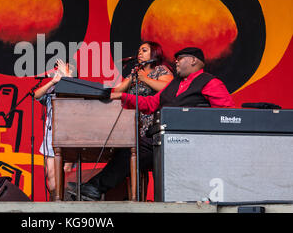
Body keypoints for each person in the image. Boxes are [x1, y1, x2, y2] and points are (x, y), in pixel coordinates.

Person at [70, 46, 234, 201]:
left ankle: (93, 189)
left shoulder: (209, 82)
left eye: (180, 58)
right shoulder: (174, 83)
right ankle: (93, 189)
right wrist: (122, 96)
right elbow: (150, 104)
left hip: (189, 143)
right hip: (160, 139)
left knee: (138, 150)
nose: (175, 61)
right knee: (130, 148)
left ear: (193, 60)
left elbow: (227, 113)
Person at [34, 59, 73, 200]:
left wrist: (67, 76)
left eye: (64, 69)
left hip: (70, 137)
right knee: (51, 176)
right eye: (59, 69)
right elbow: (37, 95)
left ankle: (65, 205)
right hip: (51, 136)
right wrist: (52, 82)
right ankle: (54, 205)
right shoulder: (53, 89)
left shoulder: (77, 87)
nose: (60, 72)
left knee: (65, 172)